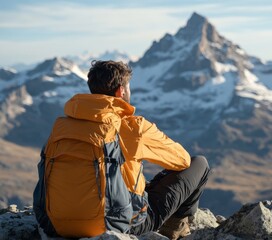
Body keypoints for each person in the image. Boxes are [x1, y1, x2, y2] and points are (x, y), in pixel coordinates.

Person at [33, 60, 210, 240]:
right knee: (199, 163)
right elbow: (182, 160)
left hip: (55, 224)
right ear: (121, 91)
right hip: (116, 224)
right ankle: (175, 228)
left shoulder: (62, 127)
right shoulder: (134, 128)